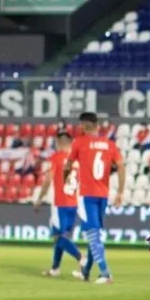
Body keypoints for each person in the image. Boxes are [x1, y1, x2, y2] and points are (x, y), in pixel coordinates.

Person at [65, 112, 126, 284]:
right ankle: (85, 272)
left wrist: (65, 179)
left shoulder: (79, 142)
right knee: (96, 234)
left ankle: (105, 273)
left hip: (86, 195)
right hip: (103, 195)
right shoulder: (110, 144)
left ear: (83, 125)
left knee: (93, 235)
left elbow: (68, 164)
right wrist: (120, 192)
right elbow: (121, 167)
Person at [34, 130, 84, 277]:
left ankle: (81, 258)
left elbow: (48, 180)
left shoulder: (56, 157)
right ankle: (55, 268)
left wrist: (39, 199)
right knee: (62, 236)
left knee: (58, 237)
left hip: (60, 204)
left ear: (58, 142)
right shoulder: (77, 160)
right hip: (73, 204)